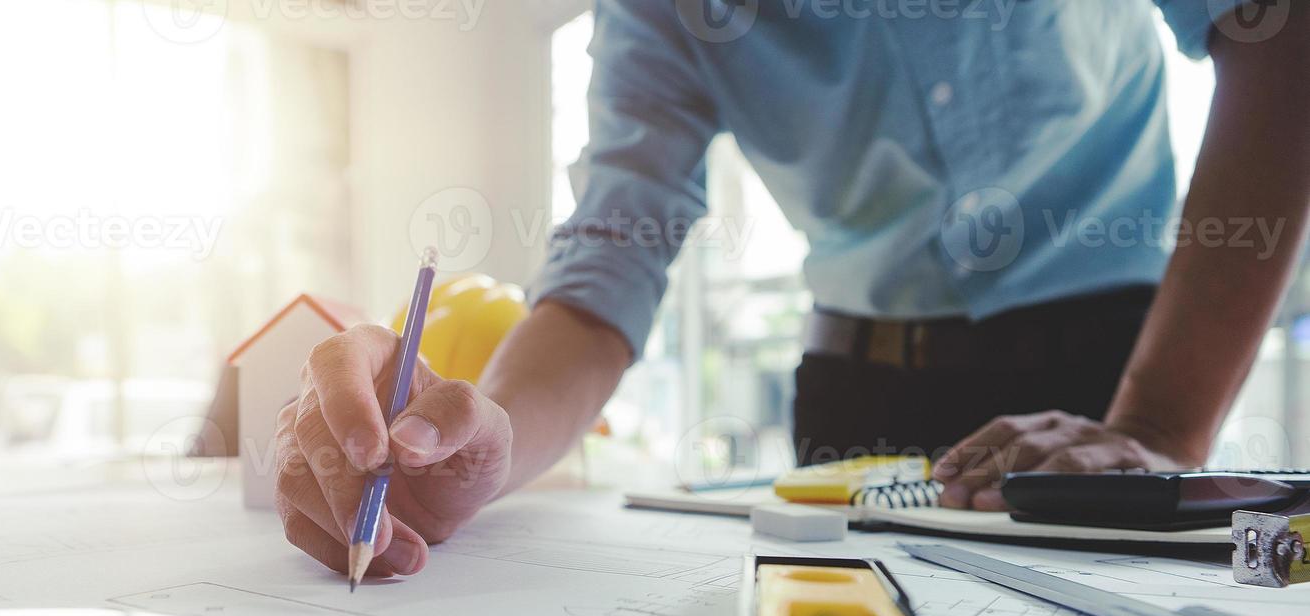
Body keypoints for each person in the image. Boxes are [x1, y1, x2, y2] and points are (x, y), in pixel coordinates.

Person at [276, 0, 1310, 580]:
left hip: (1111, 375)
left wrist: (1164, 421)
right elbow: (605, 270)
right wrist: (479, 441)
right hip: (854, 388)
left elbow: (1277, 34)